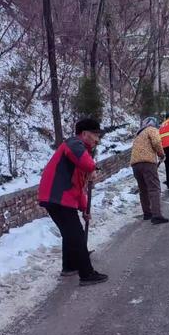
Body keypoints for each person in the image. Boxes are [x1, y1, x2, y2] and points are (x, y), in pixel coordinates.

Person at [38, 118, 108, 286]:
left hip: (58, 197)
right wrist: (93, 168)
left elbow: (78, 186)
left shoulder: (79, 154)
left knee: (70, 234)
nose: (97, 140)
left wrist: (84, 209)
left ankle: (69, 267)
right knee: (76, 235)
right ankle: (87, 274)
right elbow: (87, 164)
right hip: (57, 197)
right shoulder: (74, 144)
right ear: (84, 134)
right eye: (95, 135)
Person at [130, 117, 169, 225]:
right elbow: (156, 142)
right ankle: (156, 215)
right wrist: (161, 154)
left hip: (135, 164)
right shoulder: (151, 129)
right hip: (147, 162)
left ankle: (147, 213)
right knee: (154, 188)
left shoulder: (139, 134)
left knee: (143, 189)